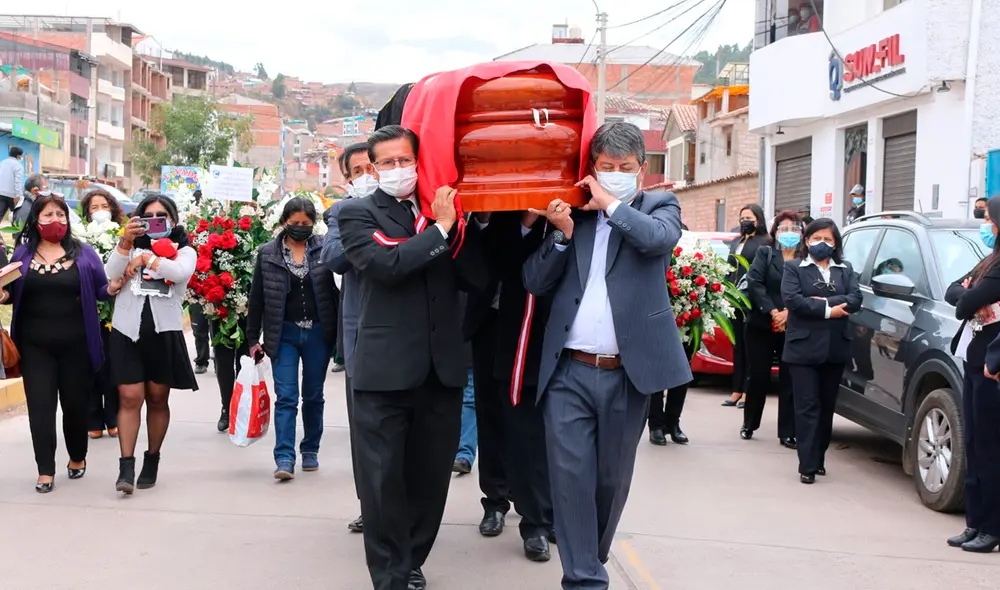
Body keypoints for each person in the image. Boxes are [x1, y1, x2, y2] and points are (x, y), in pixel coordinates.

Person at [522, 121, 689, 588]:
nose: (614, 173)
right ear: (590, 166)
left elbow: (658, 240)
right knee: (570, 479)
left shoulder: (658, 205)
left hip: (627, 374)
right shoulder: (574, 213)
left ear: (642, 168)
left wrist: (611, 204)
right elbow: (534, 282)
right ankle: (584, 578)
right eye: (605, 167)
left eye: (624, 168)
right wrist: (560, 234)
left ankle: (587, 560)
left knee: (609, 483)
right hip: (568, 372)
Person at [337, 125, 486, 590]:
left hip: (440, 370)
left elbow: (477, 276)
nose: (398, 170)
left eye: (406, 160)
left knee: (428, 480)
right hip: (384, 371)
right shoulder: (357, 214)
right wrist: (441, 228)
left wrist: (471, 223)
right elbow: (388, 265)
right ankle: (391, 576)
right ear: (375, 167)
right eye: (388, 163)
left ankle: (412, 558)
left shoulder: (440, 211)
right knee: (382, 484)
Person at [3, 195, 120, 493]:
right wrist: (2, 296)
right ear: (35, 220)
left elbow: (101, 290)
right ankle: (45, 470)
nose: (55, 220)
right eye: (47, 215)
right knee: (41, 408)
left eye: (60, 214)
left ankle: (77, 456)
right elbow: (10, 294)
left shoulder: (84, 254)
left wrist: (114, 287)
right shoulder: (23, 254)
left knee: (74, 406)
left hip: (76, 346)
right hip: (34, 346)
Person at [464, 210, 555, 562]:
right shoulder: (498, 211)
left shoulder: (566, 212)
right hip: (490, 326)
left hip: (534, 330)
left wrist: (533, 224)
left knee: (528, 427)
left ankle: (536, 521)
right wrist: (504, 220)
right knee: (490, 418)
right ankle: (495, 501)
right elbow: (488, 260)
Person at [105, 193, 198, 495]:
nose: (155, 221)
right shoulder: (128, 246)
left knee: (157, 398)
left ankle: (152, 458)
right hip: (126, 331)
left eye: (162, 216)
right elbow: (109, 274)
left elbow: (179, 272)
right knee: (130, 397)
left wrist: (149, 258)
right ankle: (126, 466)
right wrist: (125, 245)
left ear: (172, 220)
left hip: (164, 332)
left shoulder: (184, 251)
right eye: (148, 216)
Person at [246, 197, 337, 480]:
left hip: (318, 334)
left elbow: (337, 293)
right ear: (284, 222)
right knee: (286, 397)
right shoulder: (268, 253)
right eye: (294, 223)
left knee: (313, 396)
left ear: (313, 224)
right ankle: (284, 457)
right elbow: (257, 297)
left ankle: (310, 450)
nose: (299, 228)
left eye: (305, 224)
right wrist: (252, 339)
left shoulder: (325, 250)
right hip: (282, 334)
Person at [780, 218, 862, 485]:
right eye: (817, 239)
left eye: (827, 239)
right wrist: (831, 310)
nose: (822, 244)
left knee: (827, 406)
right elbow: (793, 301)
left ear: (835, 242)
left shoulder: (845, 269)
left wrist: (821, 302)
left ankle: (819, 457)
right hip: (803, 349)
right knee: (807, 406)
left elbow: (855, 299)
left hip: (835, 348)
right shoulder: (794, 268)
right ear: (807, 241)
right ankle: (807, 464)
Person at [321, 141, 374, 534]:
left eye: (376, 166)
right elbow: (335, 258)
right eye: (359, 171)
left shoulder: (415, 210)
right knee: (365, 434)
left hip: (411, 341)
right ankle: (369, 505)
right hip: (361, 339)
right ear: (348, 179)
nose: (369, 176)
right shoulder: (342, 213)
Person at [946, 195, 1000, 553]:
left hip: (993, 367)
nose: (986, 223)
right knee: (973, 444)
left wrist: (969, 296)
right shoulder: (990, 259)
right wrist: (968, 294)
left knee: (990, 448)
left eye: (989, 217)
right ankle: (974, 522)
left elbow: (966, 300)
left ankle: (992, 527)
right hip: (973, 359)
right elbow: (955, 290)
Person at [742, 210, 800, 447]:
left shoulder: (805, 259)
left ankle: (787, 432)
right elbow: (755, 283)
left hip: (793, 326)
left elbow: (806, 290)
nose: (788, 233)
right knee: (758, 376)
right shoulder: (765, 253)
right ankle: (749, 423)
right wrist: (774, 312)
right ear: (775, 232)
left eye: (794, 229)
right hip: (762, 324)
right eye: (783, 229)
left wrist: (789, 312)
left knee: (790, 379)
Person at [80, 189, 127, 440]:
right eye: (93, 207)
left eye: (103, 205)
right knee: (90, 367)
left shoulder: (121, 235)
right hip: (89, 311)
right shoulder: (80, 240)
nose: (99, 211)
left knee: (111, 365)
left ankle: (113, 417)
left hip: (116, 311)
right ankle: (93, 419)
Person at [722, 204, 771, 409]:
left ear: (758, 220)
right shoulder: (737, 242)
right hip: (735, 301)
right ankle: (736, 389)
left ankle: (748, 393)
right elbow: (729, 267)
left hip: (753, 302)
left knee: (751, 348)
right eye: (742, 218)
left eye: (749, 217)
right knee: (738, 347)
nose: (745, 221)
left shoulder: (765, 243)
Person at [647, 342, 695, 446]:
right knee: (655, 372)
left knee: (681, 374)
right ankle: (656, 425)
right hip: (656, 331)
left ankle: (672, 422)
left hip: (682, 332)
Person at [0, 146, 24, 223]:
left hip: (1, 193)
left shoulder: (2, 163)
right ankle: (16, 235)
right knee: (16, 216)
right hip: (12, 196)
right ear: (18, 156)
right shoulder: (18, 165)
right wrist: (18, 195)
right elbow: (18, 181)